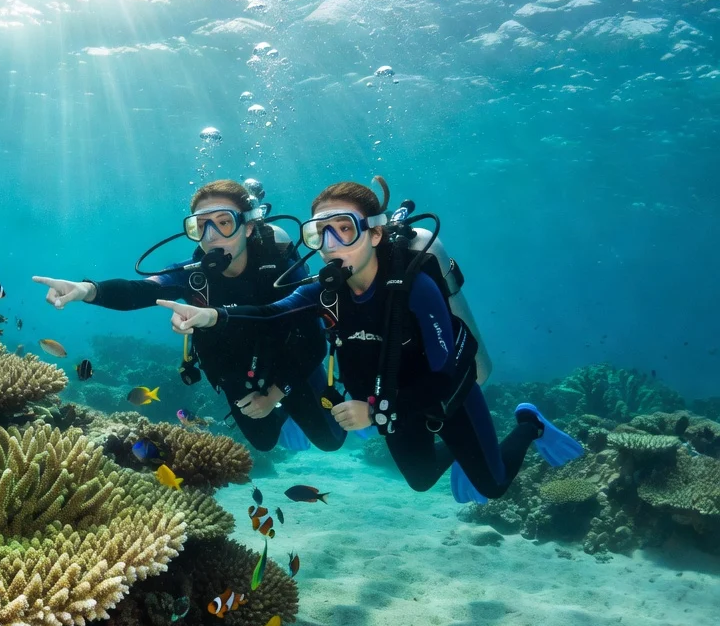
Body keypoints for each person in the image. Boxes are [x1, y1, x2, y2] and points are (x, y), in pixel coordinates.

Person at [155, 177, 582, 501]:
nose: (330, 244)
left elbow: (450, 375)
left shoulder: (413, 287)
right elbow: (271, 312)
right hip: (385, 403)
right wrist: (213, 315)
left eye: (344, 229)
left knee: (494, 486)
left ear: (375, 234)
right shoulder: (326, 289)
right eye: (319, 233)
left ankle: (529, 424)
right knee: (418, 481)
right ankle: (460, 453)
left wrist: (375, 409)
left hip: (447, 396)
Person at [33, 179, 345, 453]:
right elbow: (138, 290)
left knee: (331, 441)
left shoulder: (281, 269)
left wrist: (276, 392)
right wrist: (88, 289)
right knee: (264, 441)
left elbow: (315, 341)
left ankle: (296, 405)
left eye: (224, 223)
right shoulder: (195, 275)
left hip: (293, 363)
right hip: (236, 370)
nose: (211, 236)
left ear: (248, 226)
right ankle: (283, 414)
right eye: (201, 226)